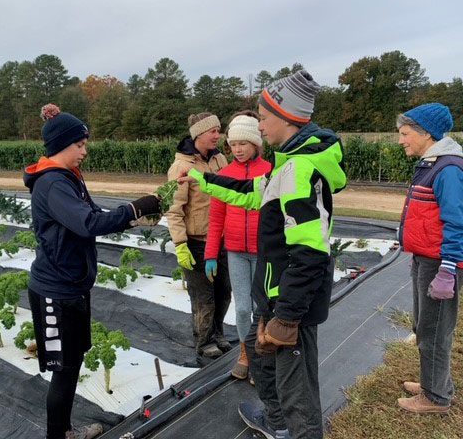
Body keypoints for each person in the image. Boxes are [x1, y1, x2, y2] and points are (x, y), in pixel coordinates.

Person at [180, 70, 346, 439]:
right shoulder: (287, 163)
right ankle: (275, 421)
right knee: (258, 351)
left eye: (264, 116)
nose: (261, 124)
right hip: (272, 293)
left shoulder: (301, 169)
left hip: (291, 302)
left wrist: (287, 318)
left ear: (287, 117)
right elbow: (251, 192)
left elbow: (310, 253)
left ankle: (295, 429)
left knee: (297, 386)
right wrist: (201, 179)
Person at [23, 103, 161, 439]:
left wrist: (132, 216)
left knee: (72, 363)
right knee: (64, 370)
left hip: (71, 286)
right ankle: (59, 436)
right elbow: (88, 223)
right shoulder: (53, 184)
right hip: (56, 291)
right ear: (62, 146)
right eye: (80, 145)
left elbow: (94, 214)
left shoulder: (68, 178)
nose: (85, 150)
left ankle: (65, 431)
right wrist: (133, 207)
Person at [395, 103, 463, 414]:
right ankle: (436, 383)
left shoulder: (449, 170)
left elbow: (459, 225)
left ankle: (435, 399)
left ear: (425, 133)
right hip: (427, 259)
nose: (401, 140)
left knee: (434, 331)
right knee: (425, 325)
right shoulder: (432, 164)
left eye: (405, 134)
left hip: (442, 264)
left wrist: (448, 269)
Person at [204, 111, 272, 379]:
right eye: (233, 144)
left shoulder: (270, 171)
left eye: (243, 143)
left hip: (264, 252)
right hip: (235, 252)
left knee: (262, 307)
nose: (238, 149)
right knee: (243, 308)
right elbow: (216, 216)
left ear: (256, 143)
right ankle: (247, 353)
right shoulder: (225, 174)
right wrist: (211, 254)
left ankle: (262, 357)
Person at [166, 112, 232, 363]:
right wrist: (180, 244)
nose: (218, 135)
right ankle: (203, 341)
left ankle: (218, 332)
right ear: (198, 135)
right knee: (203, 297)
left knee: (224, 292)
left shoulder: (220, 160)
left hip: (221, 238)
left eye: (218, 130)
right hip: (195, 241)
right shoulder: (182, 167)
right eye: (212, 131)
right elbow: (174, 209)